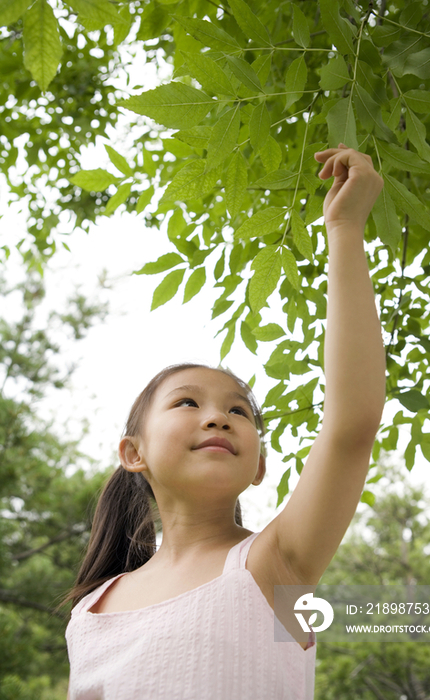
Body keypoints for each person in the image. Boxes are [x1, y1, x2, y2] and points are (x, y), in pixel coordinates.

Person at [63, 144, 386, 699]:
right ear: (132, 452)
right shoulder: (92, 611)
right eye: (187, 403)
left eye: (239, 410)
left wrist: (345, 229)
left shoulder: (275, 565)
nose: (218, 416)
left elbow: (352, 424)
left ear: (260, 465)